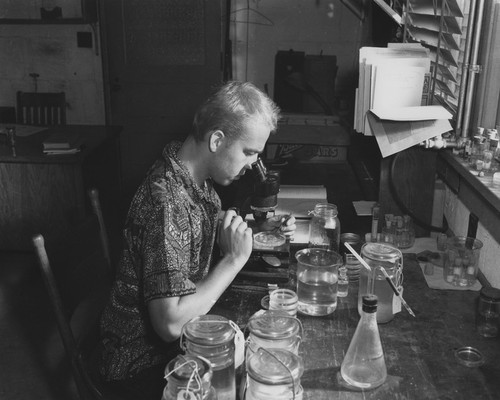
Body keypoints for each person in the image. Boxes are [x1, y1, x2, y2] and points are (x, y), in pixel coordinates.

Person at [98, 81, 296, 399]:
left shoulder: (190, 176)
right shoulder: (165, 202)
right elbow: (171, 325)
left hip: (175, 346)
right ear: (217, 139)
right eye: (249, 152)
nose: (251, 165)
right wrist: (233, 260)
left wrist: (263, 227)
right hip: (141, 366)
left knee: (265, 353)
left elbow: (200, 224)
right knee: (262, 380)